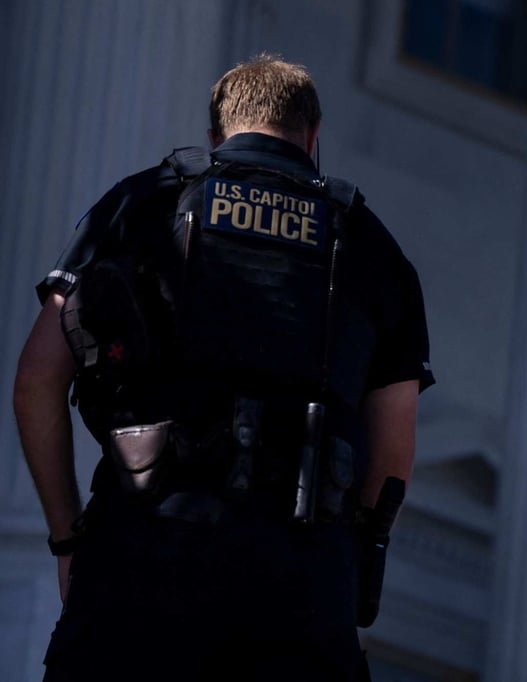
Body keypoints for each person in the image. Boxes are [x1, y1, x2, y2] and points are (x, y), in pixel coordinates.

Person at [13, 54, 434, 681]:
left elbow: (37, 380)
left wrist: (68, 538)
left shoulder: (144, 202)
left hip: (144, 556)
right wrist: (346, 565)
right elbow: (393, 455)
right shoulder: (373, 244)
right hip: (300, 590)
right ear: (313, 137)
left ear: (218, 134)